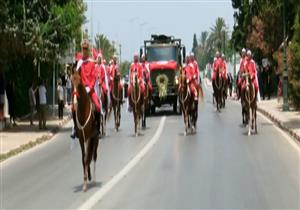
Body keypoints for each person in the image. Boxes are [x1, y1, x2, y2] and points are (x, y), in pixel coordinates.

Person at [71, 39, 100, 138]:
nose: (84, 50)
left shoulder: (92, 63)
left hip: (90, 90)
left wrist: (89, 88)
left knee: (98, 106)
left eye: (86, 49)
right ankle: (75, 128)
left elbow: (94, 77)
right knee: (73, 108)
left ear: (88, 49)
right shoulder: (79, 63)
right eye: (83, 49)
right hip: (81, 90)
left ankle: (97, 128)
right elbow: (76, 76)